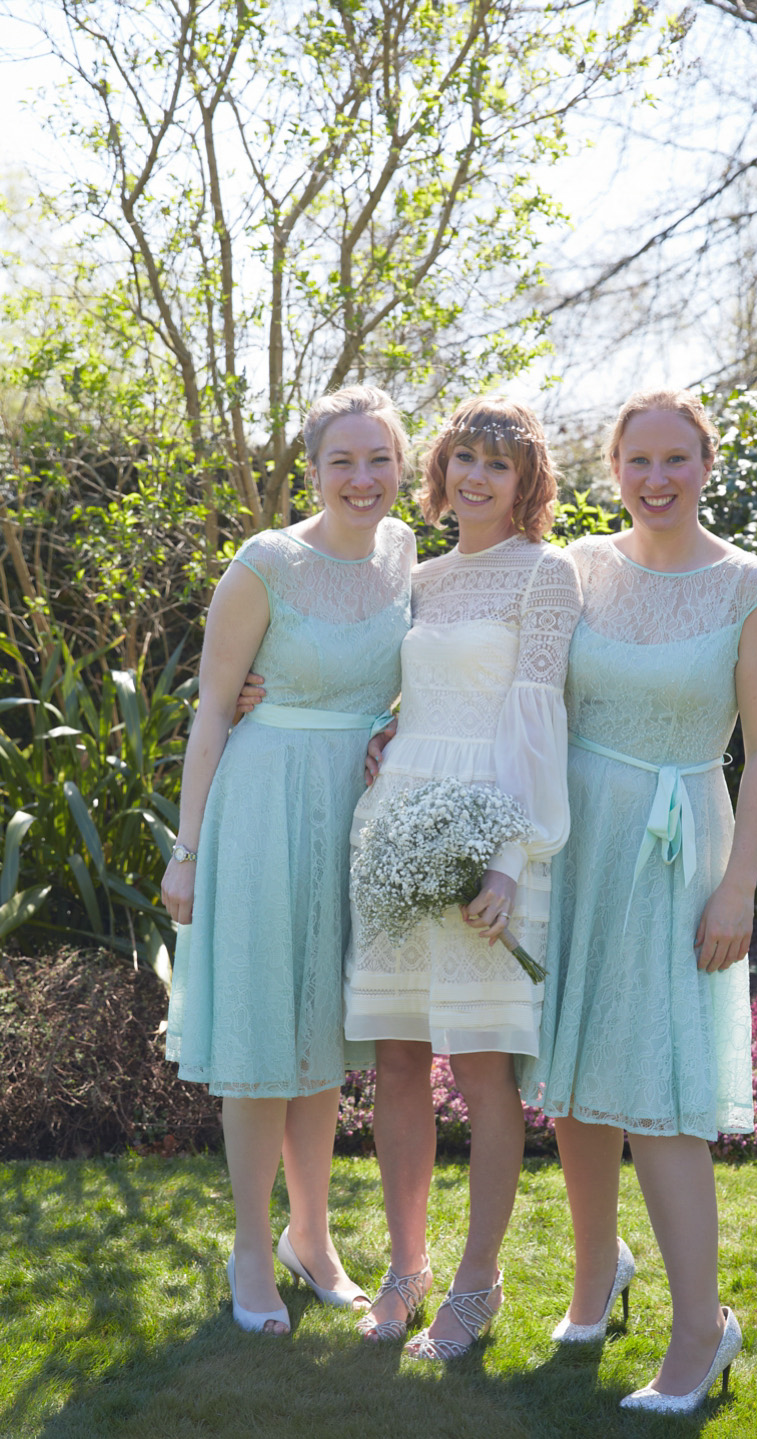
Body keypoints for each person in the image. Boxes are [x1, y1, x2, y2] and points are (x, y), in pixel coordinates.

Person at [519, 389, 757, 1413]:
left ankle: (700, 1329)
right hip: (576, 836)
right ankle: (597, 1278)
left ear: (706, 463)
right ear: (613, 465)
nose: (656, 478)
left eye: (675, 458)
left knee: (660, 1093)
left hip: (680, 846)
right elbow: (501, 678)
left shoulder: (748, 586)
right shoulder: (578, 569)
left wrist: (739, 887)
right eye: (637, 459)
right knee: (576, 1075)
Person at [161, 386, 416, 1335]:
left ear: (400, 465)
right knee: (267, 1040)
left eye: (378, 459)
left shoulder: (403, 556)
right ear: (312, 470)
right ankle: (251, 1249)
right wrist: (186, 853)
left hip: (357, 814)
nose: (362, 479)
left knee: (321, 1038)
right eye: (342, 461)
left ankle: (317, 1239)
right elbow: (211, 711)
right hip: (264, 808)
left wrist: (396, 732)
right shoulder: (265, 563)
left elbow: (413, 678)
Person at [346, 396, 581, 1360]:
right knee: (399, 1059)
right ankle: (407, 1269)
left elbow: (535, 716)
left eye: (499, 463)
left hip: (492, 831)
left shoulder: (548, 574)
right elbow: (389, 680)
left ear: (526, 482)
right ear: (439, 473)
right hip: (396, 824)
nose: (477, 477)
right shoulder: (421, 579)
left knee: (485, 1069)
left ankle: (478, 1284)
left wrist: (510, 858)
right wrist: (379, 732)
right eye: (463, 460)